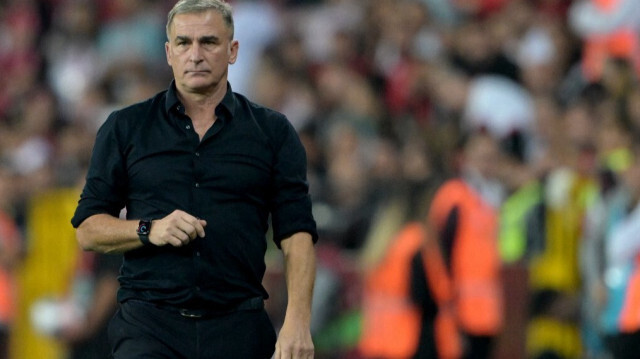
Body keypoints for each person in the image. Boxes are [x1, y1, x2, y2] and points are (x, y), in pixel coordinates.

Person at [70, 1, 318, 358]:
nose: (195, 55)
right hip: (149, 326)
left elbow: (297, 233)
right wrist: (149, 230)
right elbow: (88, 229)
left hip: (238, 326)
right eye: (184, 43)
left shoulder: (273, 132)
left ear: (232, 51)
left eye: (209, 42)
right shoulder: (126, 127)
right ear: (169, 53)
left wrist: (297, 321)